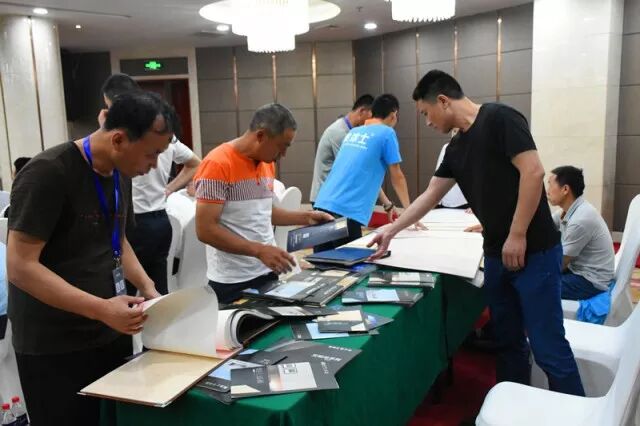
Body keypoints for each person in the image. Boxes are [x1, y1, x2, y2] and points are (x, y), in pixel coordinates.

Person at [368, 70, 584, 396]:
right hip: (496, 254)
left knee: (548, 346)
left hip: (536, 251)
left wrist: (517, 234)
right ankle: (514, 406)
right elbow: (431, 194)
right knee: (507, 342)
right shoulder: (455, 148)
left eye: (426, 113)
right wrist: (392, 229)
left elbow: (533, 171)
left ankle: (575, 412)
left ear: (443, 101)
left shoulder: (500, 118)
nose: (427, 123)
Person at [7, 91, 178, 425]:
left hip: (110, 331)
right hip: (56, 345)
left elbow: (117, 240)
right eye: (151, 154)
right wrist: (101, 309)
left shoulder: (120, 173)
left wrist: (148, 288)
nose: (155, 165)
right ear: (118, 139)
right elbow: (20, 266)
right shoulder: (48, 173)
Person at [194, 103, 333, 304]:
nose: (283, 154)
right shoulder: (217, 164)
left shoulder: (266, 163)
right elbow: (205, 230)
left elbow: (265, 212)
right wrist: (258, 250)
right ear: (261, 136)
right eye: (282, 146)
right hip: (233, 280)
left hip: (267, 269)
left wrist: (306, 217)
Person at [100, 73, 202, 295]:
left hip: (135, 223)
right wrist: (169, 189)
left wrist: (105, 128)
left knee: (126, 293)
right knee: (157, 289)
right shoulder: (161, 133)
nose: (152, 163)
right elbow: (195, 163)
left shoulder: (128, 138)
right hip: (162, 221)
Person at [312, 94, 412, 251]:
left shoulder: (353, 133)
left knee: (322, 261)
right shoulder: (387, 133)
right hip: (346, 210)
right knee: (350, 262)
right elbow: (397, 177)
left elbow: (356, 171)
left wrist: (387, 204)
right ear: (394, 115)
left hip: (323, 205)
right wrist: (410, 213)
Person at [547, 166, 614, 300]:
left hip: (590, 281)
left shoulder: (580, 219)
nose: (547, 191)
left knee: (538, 286)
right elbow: (545, 227)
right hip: (577, 270)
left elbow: (560, 264)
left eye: (550, 185)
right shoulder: (568, 210)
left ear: (565, 189)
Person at [309, 94, 374, 203]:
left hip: (333, 197)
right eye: (370, 117)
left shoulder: (349, 131)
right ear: (362, 111)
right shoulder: (339, 132)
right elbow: (351, 169)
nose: (369, 123)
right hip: (325, 200)